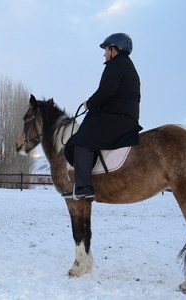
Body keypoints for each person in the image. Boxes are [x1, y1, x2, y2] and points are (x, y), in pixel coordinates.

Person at [63, 33, 142, 199]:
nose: (104, 53)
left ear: (114, 49)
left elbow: (105, 91)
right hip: (125, 116)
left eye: (106, 49)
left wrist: (89, 104)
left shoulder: (115, 65)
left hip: (117, 118)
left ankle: (84, 187)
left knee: (81, 141)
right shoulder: (128, 66)